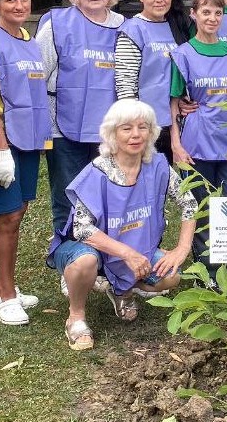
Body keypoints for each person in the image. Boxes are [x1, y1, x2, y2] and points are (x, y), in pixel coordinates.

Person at [49, 100, 197, 350]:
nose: (136, 135)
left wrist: (181, 251)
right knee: (85, 261)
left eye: (143, 127)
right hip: (89, 248)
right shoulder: (97, 172)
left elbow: (190, 204)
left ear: (151, 132)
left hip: (135, 248)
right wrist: (127, 254)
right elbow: (82, 229)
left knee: (170, 277)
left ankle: (121, 290)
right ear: (112, 134)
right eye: (126, 128)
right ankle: (76, 317)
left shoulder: (158, 166)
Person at [0, 0, 51, 326]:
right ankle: (7, 297)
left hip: (29, 139)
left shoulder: (29, 40)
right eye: (11, 0)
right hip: (2, 141)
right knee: (6, 218)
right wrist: (0, 148)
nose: (19, 6)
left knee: (17, 215)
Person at [37, 0, 125, 238]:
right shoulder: (56, 24)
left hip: (112, 130)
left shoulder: (127, 27)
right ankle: (70, 262)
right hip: (63, 126)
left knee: (109, 195)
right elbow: (38, 73)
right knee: (68, 195)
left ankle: (104, 264)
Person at [170, 0, 227, 282]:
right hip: (197, 140)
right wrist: (176, 143)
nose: (212, 18)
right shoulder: (182, 54)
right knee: (202, 208)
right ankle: (208, 273)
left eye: (218, 12)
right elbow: (173, 100)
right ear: (194, 15)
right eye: (206, 12)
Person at [114, 0, 193, 161]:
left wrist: (186, 98)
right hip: (144, 126)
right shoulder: (132, 30)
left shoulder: (178, 26)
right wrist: (136, 128)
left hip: (175, 123)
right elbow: (125, 86)